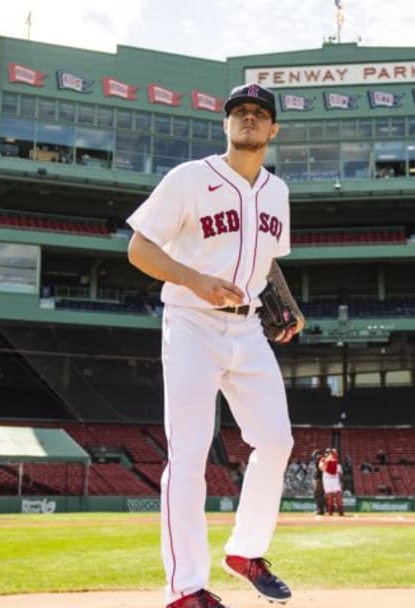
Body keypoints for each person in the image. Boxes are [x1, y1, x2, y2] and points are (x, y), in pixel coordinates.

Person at [126, 83, 303, 608]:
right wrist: (194, 280)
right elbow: (138, 248)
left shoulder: (278, 192)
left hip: (249, 329)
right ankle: (184, 590)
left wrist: (286, 303)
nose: (248, 118)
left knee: (276, 441)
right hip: (191, 323)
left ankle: (245, 552)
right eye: (239, 112)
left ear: (273, 130)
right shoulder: (189, 179)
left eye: (259, 114)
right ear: (226, 125)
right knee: (188, 455)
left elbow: (267, 260)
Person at [320, 448, 344, 516]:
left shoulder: (338, 464)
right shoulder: (323, 460)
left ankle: (340, 511)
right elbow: (321, 468)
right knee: (329, 497)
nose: (335, 454)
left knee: (339, 496)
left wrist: (340, 482)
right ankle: (330, 511)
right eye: (333, 453)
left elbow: (340, 474)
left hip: (335, 480)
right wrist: (326, 461)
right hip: (327, 480)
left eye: (335, 453)